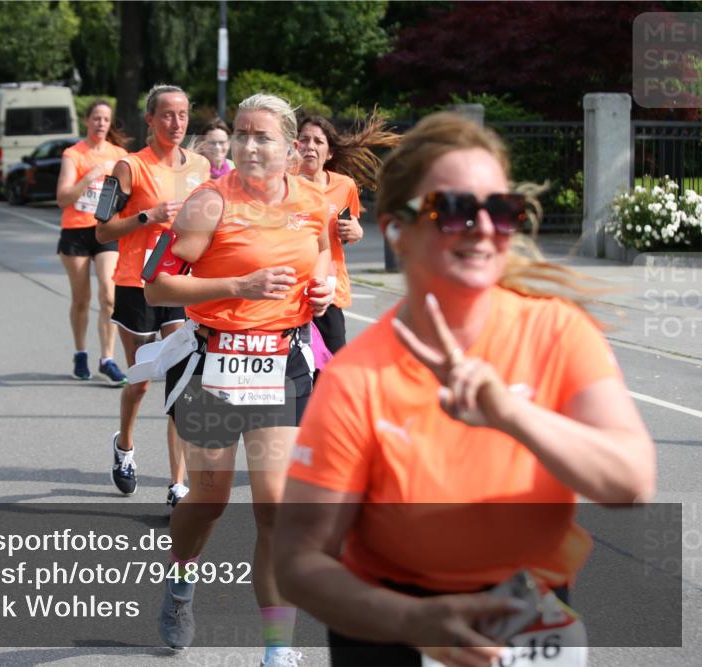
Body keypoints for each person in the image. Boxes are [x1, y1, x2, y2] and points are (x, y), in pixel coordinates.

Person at [273, 112, 657, 666]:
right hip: (388, 628)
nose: (481, 228)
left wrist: (510, 414)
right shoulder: (357, 378)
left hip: (527, 617)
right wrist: (414, 622)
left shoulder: (557, 331)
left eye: (500, 211)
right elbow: (299, 562)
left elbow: (632, 482)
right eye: (452, 210)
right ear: (398, 229)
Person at [143, 93, 333, 666]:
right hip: (216, 364)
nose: (249, 146)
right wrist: (237, 287)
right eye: (242, 135)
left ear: (290, 147)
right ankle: (180, 580)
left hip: (282, 365)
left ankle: (278, 651)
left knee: (277, 508)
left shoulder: (311, 202)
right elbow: (156, 287)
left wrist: (320, 291)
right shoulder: (208, 203)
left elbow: (321, 255)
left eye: (263, 137)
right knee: (209, 499)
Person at [95, 84, 209, 510]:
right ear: (150, 119)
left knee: (181, 382)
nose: (176, 123)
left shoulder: (200, 165)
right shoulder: (129, 167)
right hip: (136, 281)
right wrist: (147, 217)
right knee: (140, 381)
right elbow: (102, 230)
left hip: (181, 281)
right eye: (167, 115)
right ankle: (124, 446)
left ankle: (177, 484)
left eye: (182, 114)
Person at [296, 114, 401, 356]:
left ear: (329, 153)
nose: (310, 146)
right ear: (294, 145)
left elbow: (351, 226)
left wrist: (356, 232)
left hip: (329, 289)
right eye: (304, 139)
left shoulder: (345, 186)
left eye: (318, 141)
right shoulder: (282, 184)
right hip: (292, 288)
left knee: (332, 364)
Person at [55, 99, 129, 385]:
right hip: (76, 231)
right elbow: (63, 198)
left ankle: (107, 358)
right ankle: (80, 352)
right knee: (82, 299)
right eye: (96, 118)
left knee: (109, 295)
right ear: (87, 121)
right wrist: (90, 177)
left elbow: (130, 195)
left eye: (106, 119)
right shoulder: (74, 154)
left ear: (110, 124)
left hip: (106, 231)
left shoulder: (119, 154)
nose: (100, 124)